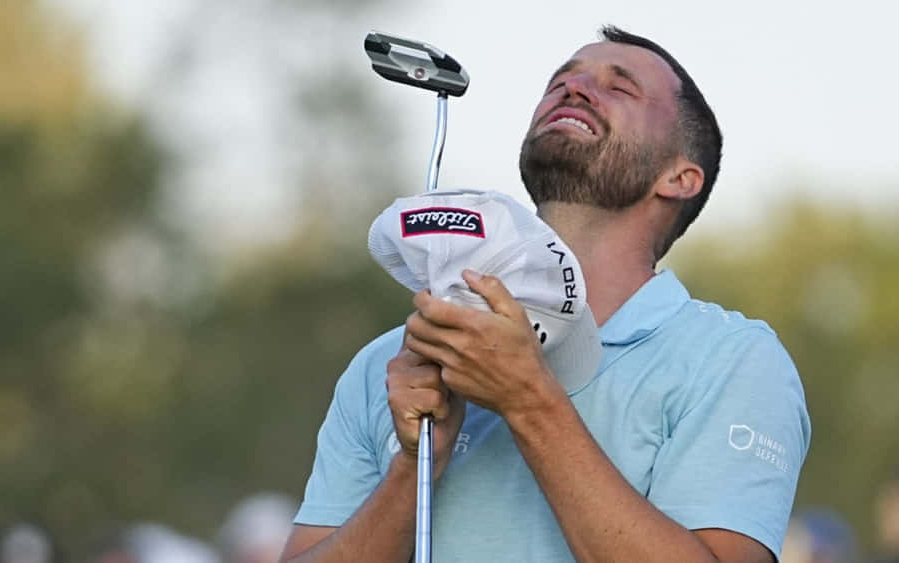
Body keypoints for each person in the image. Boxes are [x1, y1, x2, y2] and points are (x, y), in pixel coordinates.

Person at [280, 26, 811, 562]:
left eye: (619, 87)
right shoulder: (389, 363)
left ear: (679, 178)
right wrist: (414, 466)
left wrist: (526, 398)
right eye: (561, 81)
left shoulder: (732, 360)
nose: (575, 89)